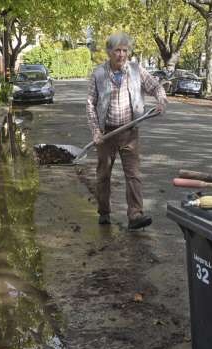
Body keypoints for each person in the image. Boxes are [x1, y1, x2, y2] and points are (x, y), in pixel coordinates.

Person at [87, 32, 167, 230]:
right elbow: (90, 104)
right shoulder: (98, 74)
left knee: (133, 175)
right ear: (109, 52)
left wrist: (161, 99)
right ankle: (104, 212)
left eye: (125, 50)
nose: (121, 54)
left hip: (130, 131)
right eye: (117, 50)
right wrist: (96, 131)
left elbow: (156, 87)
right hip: (106, 134)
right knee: (103, 175)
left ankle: (135, 215)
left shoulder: (136, 70)